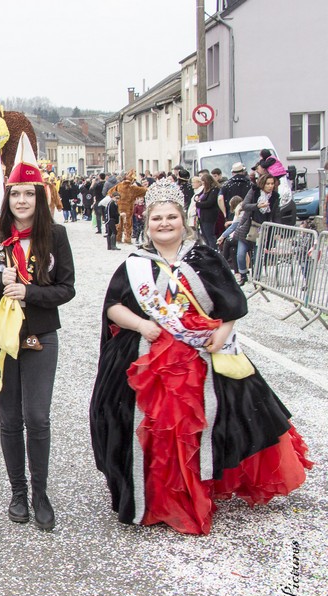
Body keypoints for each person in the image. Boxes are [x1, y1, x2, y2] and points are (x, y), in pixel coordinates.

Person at [90, 178, 312, 535]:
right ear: (147, 225)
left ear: (183, 221)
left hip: (201, 360)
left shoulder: (205, 257)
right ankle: (155, 497)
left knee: (200, 428)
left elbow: (232, 305)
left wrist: (222, 335)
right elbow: (113, 307)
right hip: (146, 362)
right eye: (157, 218)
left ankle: (193, 493)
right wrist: (143, 326)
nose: (164, 224)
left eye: (171, 218)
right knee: (151, 429)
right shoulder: (135, 264)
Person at [0, 133, 76, 532]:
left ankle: (41, 492)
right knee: (10, 419)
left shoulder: (55, 236)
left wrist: (30, 292)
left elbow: (68, 288)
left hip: (41, 336)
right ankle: (18, 491)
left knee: (38, 417)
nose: (22, 201)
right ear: (7, 198)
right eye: (16, 195)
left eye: (29, 194)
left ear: (39, 197)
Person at [234, 173, 280, 285]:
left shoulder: (275, 196)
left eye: (272, 184)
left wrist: (277, 231)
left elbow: (276, 214)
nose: (270, 186)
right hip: (248, 226)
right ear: (262, 184)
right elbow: (244, 205)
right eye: (268, 184)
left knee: (258, 256)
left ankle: (257, 279)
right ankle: (243, 275)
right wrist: (257, 206)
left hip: (263, 229)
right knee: (240, 254)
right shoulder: (254, 191)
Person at [194, 171, 221, 248]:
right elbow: (199, 195)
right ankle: (209, 249)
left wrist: (198, 204)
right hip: (202, 216)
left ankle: (214, 251)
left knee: (210, 235)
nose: (202, 184)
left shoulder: (214, 190)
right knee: (205, 235)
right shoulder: (206, 189)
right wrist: (197, 198)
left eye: (203, 182)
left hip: (209, 216)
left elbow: (210, 203)